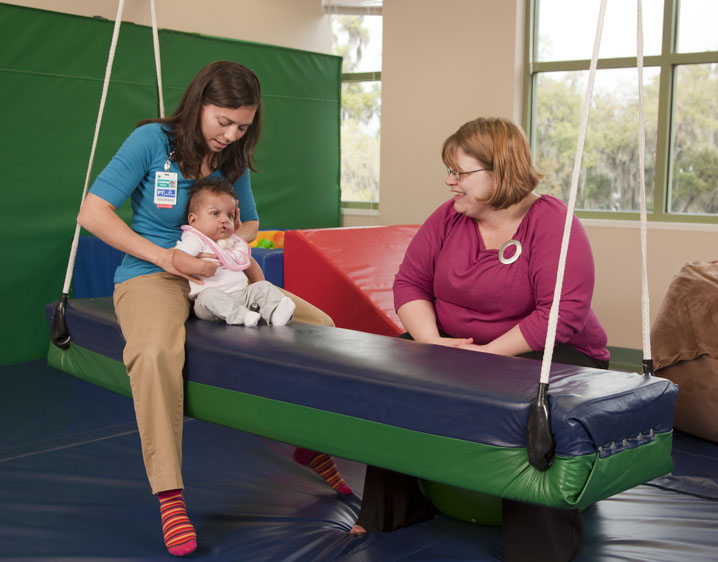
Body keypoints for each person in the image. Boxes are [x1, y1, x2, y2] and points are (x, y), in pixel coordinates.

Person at [76, 60, 349, 557]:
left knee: (322, 328)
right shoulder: (151, 143)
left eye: (243, 126)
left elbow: (251, 223)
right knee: (155, 353)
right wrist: (170, 257)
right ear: (200, 103)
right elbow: (92, 213)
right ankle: (170, 494)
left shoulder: (232, 159)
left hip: (220, 276)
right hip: (154, 273)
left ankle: (310, 440)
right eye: (223, 121)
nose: (231, 134)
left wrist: (224, 246)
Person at [349, 116, 610, 562]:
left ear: (500, 171)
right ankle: (389, 510)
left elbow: (561, 314)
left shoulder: (552, 224)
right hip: (457, 345)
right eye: (449, 172)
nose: (451, 182)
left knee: (526, 406)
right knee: (393, 378)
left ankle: (540, 544)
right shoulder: (450, 217)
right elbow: (410, 283)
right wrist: (429, 341)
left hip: (549, 350)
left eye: (460, 173)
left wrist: (488, 358)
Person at [173, 176, 296, 327]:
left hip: (242, 295)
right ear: (193, 220)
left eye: (229, 215)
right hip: (210, 303)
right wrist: (201, 267)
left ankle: (276, 312)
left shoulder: (233, 241)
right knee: (208, 296)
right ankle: (242, 316)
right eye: (215, 213)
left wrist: (261, 287)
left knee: (262, 287)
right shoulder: (196, 239)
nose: (224, 219)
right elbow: (178, 259)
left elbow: (249, 264)